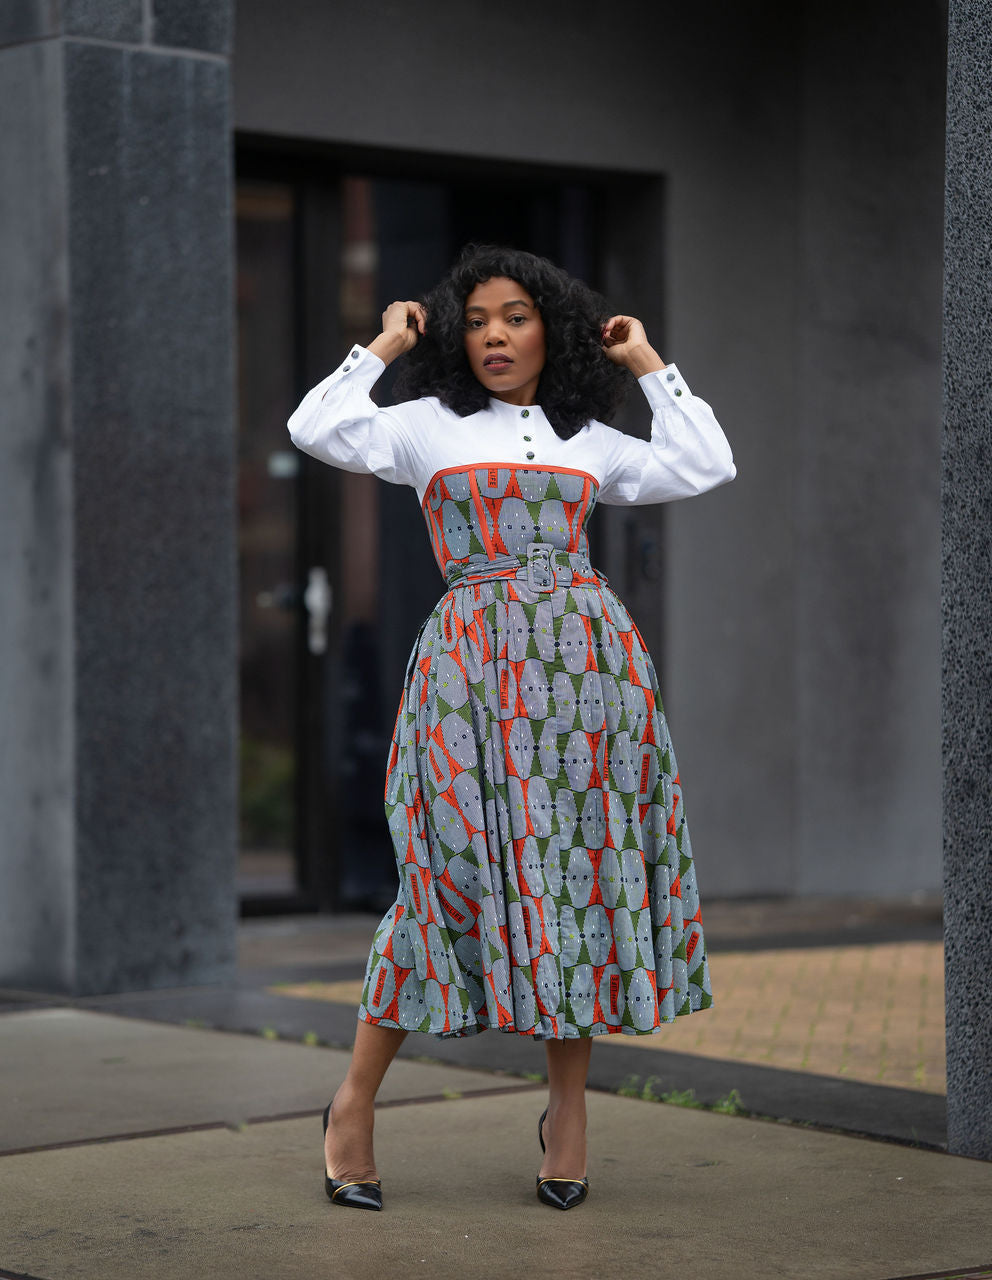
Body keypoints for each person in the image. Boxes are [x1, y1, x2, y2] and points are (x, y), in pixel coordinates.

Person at [287, 244, 736, 1212]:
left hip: (588, 674)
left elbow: (705, 462)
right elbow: (315, 425)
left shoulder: (589, 439)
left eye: (517, 315)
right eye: (478, 317)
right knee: (439, 879)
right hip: (469, 672)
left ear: (552, 330)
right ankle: (352, 1104)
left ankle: (567, 1114)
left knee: (571, 875)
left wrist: (649, 365)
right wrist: (384, 342)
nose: (494, 334)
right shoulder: (424, 425)